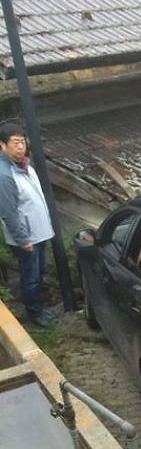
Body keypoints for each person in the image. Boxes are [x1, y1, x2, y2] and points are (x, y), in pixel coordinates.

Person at [0, 123, 55, 326]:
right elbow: (8, 212)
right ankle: (35, 314)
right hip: (27, 237)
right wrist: (23, 239)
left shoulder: (24, 165)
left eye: (22, 142)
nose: (21, 146)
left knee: (39, 273)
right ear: (2, 146)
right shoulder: (5, 175)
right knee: (31, 277)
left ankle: (40, 308)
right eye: (15, 143)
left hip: (39, 231)